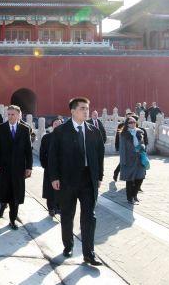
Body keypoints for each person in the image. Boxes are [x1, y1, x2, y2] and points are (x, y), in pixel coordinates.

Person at [48, 97, 104, 266]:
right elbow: (53, 156)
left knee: (89, 217)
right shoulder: (61, 131)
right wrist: (54, 177)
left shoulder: (94, 131)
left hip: (88, 179)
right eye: (82, 108)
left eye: (87, 108)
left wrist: (99, 176)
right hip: (67, 180)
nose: (85, 111)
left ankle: (89, 253)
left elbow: (100, 156)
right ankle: (68, 246)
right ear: (72, 111)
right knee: (67, 215)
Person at [0, 105, 32, 229]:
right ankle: (2, 207)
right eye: (8, 114)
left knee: (16, 194)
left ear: (19, 115)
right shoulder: (0, 128)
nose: (10, 117)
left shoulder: (25, 129)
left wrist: (29, 167)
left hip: (19, 168)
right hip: (4, 167)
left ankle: (12, 219)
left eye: (12, 114)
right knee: (5, 191)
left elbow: (28, 150)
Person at [119, 117, 147, 204]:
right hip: (129, 159)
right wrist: (123, 162)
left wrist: (143, 147)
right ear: (127, 124)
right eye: (131, 122)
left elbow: (142, 144)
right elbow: (122, 149)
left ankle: (134, 195)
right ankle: (129, 198)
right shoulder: (124, 134)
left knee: (140, 178)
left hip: (139, 158)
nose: (133, 123)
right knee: (130, 179)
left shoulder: (139, 132)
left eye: (134, 122)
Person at [39, 117, 62, 217]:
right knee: (50, 189)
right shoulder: (47, 138)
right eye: (55, 123)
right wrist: (45, 165)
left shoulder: (65, 138)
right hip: (49, 168)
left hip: (62, 169)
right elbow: (42, 153)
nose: (57, 125)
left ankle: (58, 207)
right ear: (52, 125)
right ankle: (51, 208)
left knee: (60, 189)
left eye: (59, 123)